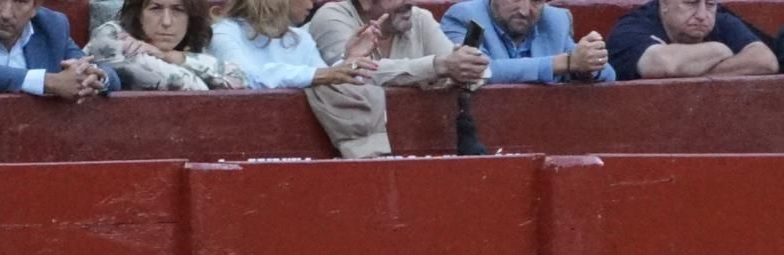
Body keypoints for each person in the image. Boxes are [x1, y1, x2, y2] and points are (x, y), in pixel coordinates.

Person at [306, 0, 489, 158]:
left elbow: (471, 70)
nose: (410, 2)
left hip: (422, 147)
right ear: (365, 2)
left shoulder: (419, 18)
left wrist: (464, 66)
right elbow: (351, 73)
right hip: (346, 160)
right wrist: (436, 68)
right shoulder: (331, 18)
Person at [206, 0, 374, 90]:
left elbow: (325, 77)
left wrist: (349, 60)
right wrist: (320, 75)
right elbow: (242, 77)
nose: (314, 2)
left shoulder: (301, 37)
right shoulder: (223, 32)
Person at [83, 0, 248, 90]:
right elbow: (191, 87)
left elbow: (239, 79)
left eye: (178, 9)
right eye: (155, 8)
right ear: (138, 14)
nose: (166, 22)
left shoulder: (183, 46)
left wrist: (172, 57)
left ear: (191, 18)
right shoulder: (112, 36)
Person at [0, 0, 120, 97]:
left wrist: (93, 78)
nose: (6, 13)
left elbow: (89, 68)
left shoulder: (52, 26)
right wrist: (47, 82)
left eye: (20, 2)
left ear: (35, 7)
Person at [441, 0, 613, 84]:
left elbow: (609, 75)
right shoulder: (464, 17)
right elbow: (479, 71)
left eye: (536, 1)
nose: (524, 10)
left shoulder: (555, 20)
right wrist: (565, 62)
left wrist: (587, 66)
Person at [607, 0, 777, 81]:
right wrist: (720, 50)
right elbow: (664, 64)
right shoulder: (631, 28)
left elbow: (765, 60)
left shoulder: (721, 20)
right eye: (690, 3)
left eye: (710, 4)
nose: (702, 15)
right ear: (664, 4)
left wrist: (695, 71)